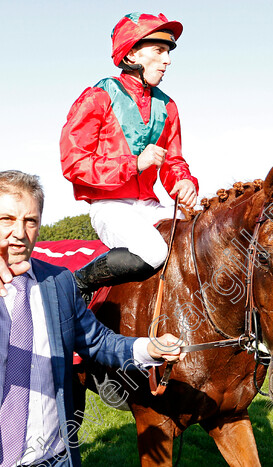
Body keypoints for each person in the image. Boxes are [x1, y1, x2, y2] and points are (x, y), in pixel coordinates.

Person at [0, 170, 182, 467]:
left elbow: (96, 341)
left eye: (30, 221)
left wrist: (149, 348)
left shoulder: (59, 281)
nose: (19, 232)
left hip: (51, 459)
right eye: (6, 219)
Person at [60, 12, 199, 299]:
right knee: (154, 251)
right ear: (133, 53)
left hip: (150, 206)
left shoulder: (168, 106)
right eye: (159, 50)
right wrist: (134, 164)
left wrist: (184, 183)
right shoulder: (98, 96)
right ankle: (80, 282)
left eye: (169, 52)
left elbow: (173, 161)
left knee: (203, 240)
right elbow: (74, 163)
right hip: (110, 206)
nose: (167, 60)